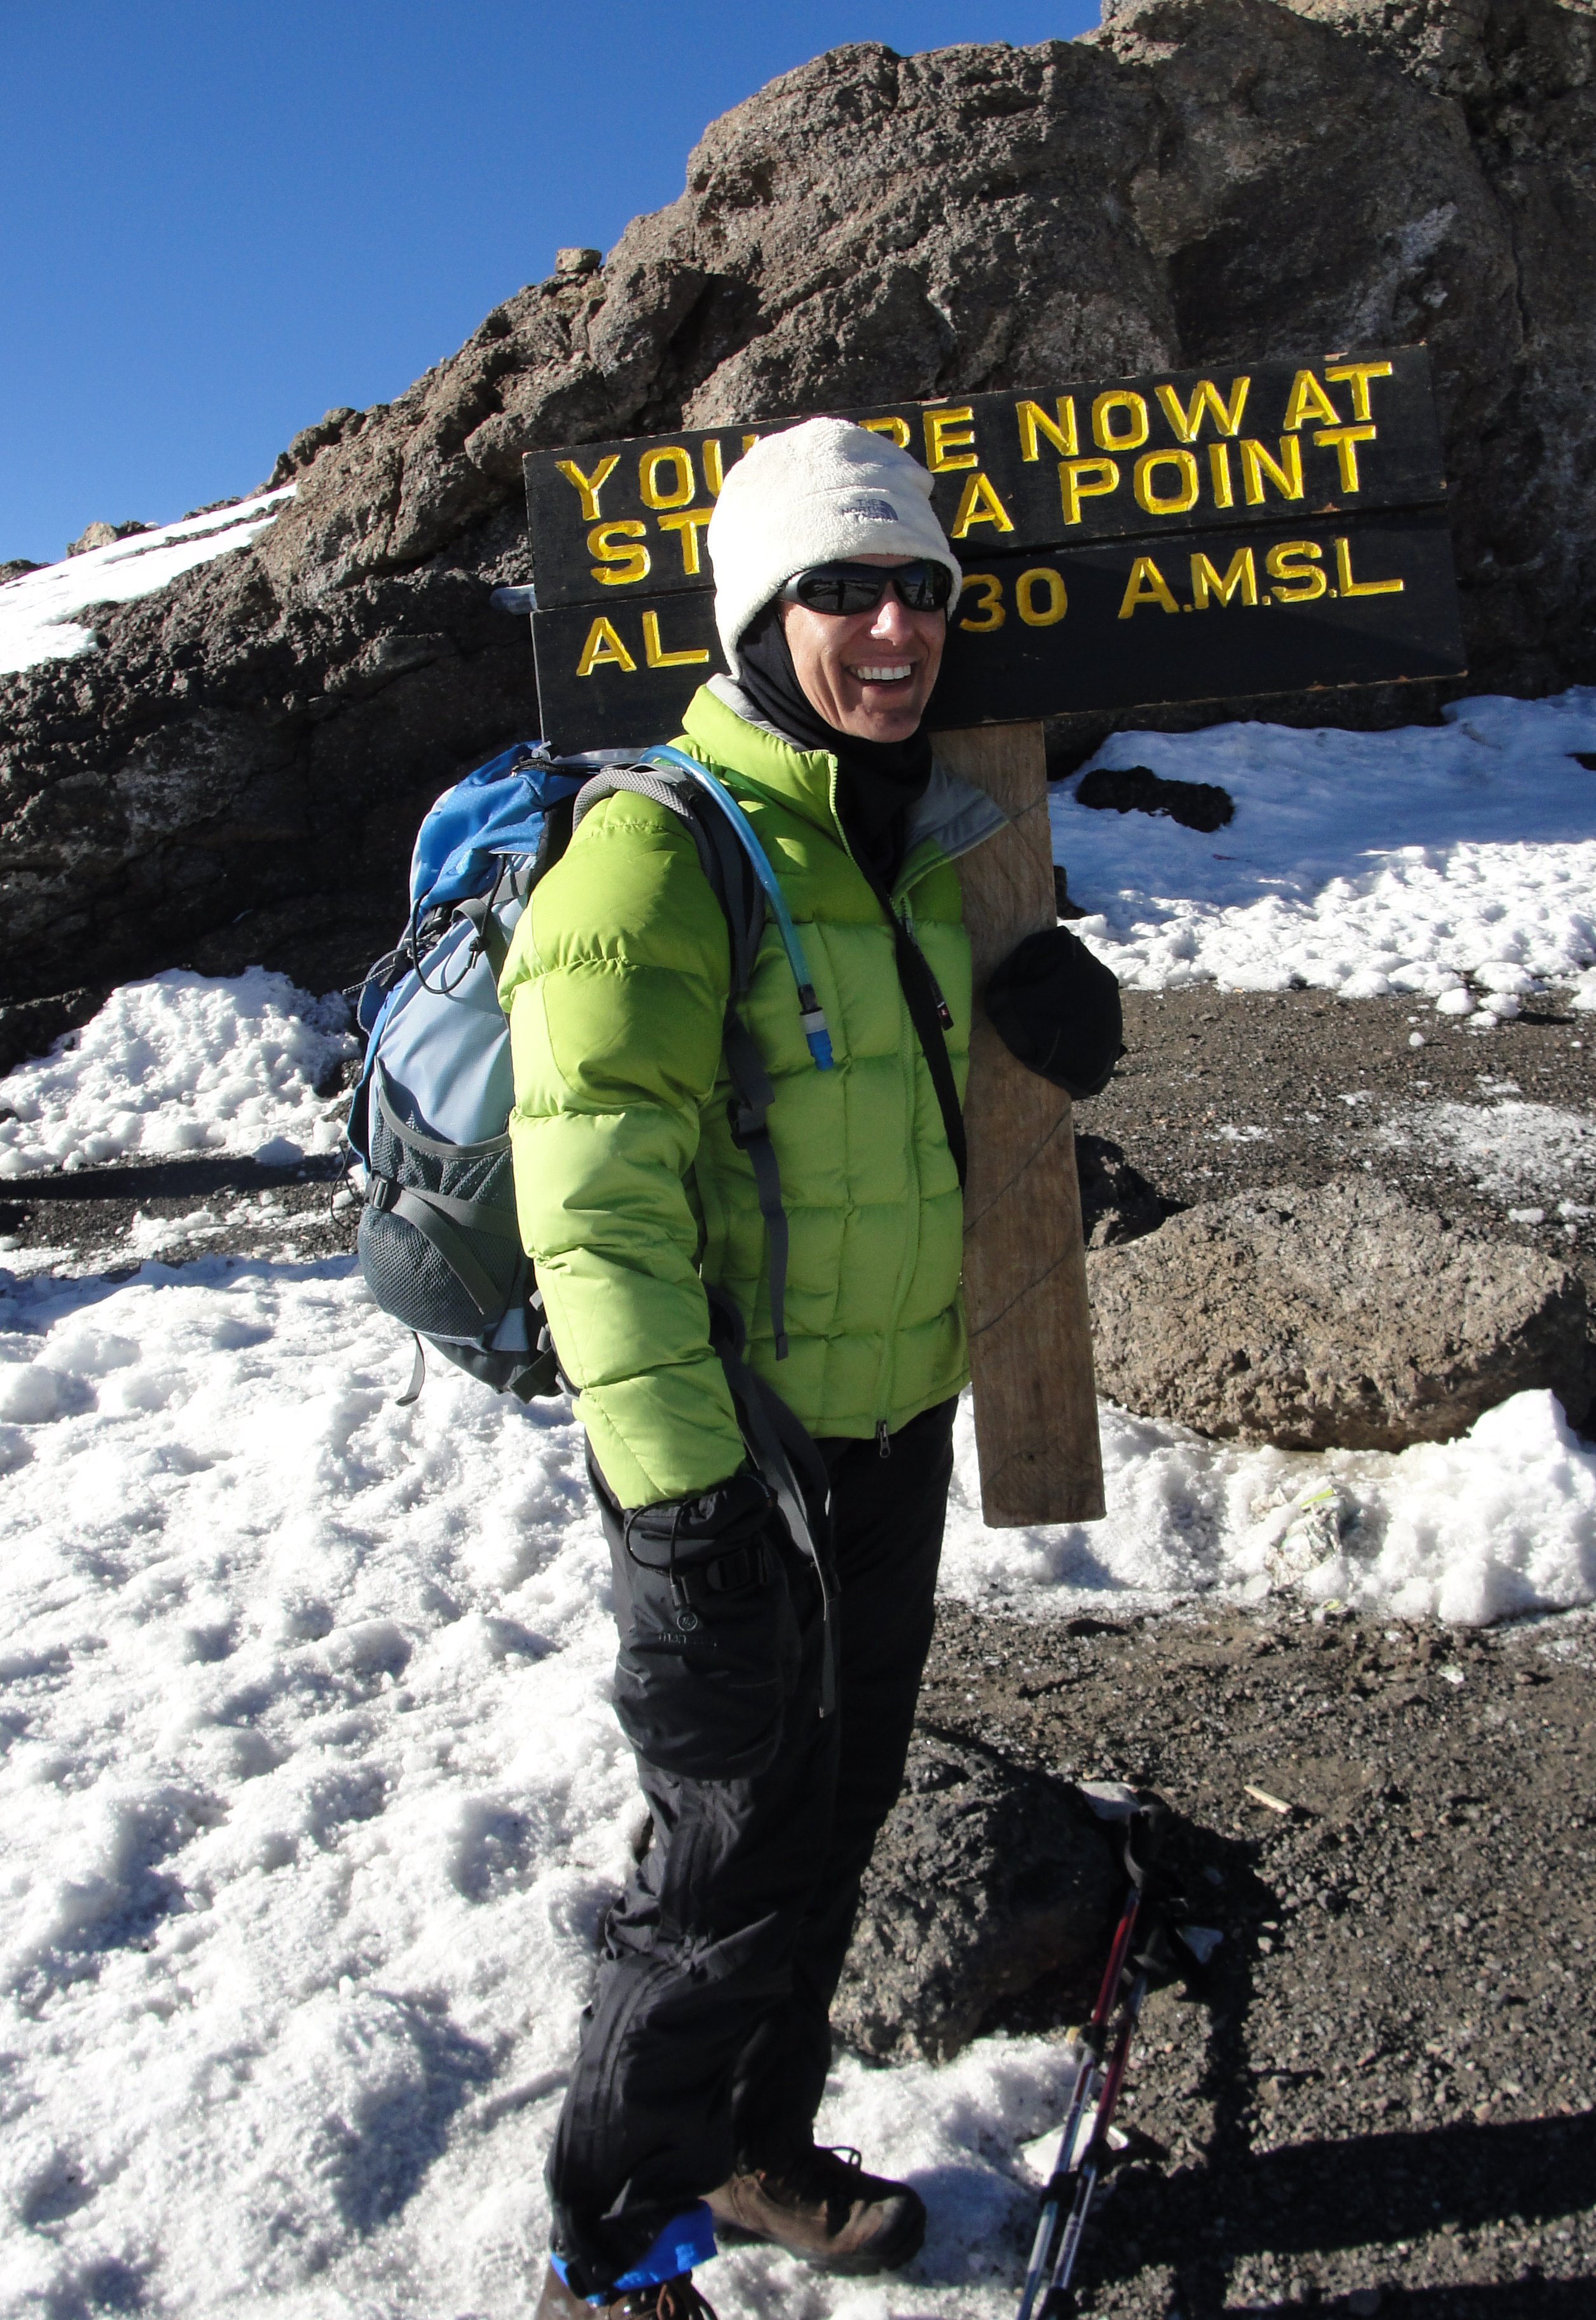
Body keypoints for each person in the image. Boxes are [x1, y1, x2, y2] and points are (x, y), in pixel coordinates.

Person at [502, 418, 1119, 2320]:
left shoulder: (918, 834)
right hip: (728, 1462)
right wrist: (684, 1500)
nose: (890, 627)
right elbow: (592, 1209)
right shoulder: (657, 854)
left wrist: (1065, 1021)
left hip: (889, 1428)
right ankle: (609, 2257)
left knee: (836, 1818)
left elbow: (916, 1121)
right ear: (759, 618)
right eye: (838, 590)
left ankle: (758, 2152)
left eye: (917, 588)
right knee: (720, 1880)